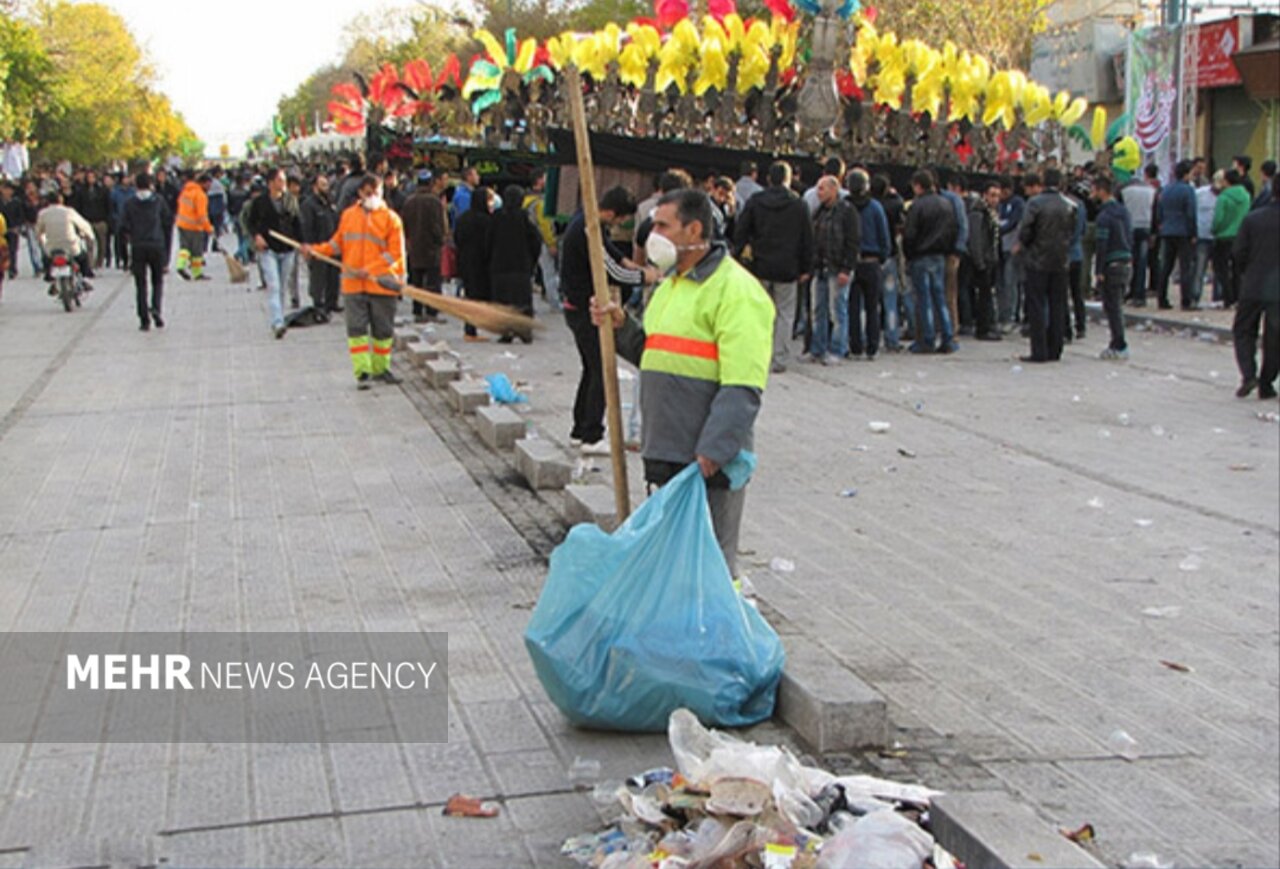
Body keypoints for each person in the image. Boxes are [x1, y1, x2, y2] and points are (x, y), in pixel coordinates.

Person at [593, 188, 774, 577]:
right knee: (672, 564)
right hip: (666, 450)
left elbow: (743, 384)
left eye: (663, 225)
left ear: (694, 230)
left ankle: (717, 634)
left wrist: (713, 450)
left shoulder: (737, 291)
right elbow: (654, 353)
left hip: (706, 460)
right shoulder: (669, 287)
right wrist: (621, 328)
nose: (652, 234)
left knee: (709, 564)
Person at [560, 185, 655, 449]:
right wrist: (642, 277)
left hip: (577, 306)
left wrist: (630, 264)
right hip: (587, 309)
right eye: (622, 219)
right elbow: (610, 270)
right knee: (602, 370)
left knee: (592, 369)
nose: (621, 224)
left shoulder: (588, 222)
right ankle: (592, 434)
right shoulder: (588, 228)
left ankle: (580, 429)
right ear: (613, 212)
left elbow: (612, 254)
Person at [302, 173, 407, 389]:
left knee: (382, 331)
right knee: (357, 330)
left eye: (376, 192)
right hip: (353, 285)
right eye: (368, 192)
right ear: (360, 193)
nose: (373, 196)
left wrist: (369, 270)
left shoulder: (391, 219)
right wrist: (315, 250)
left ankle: (380, 368)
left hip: (382, 284)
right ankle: (363, 373)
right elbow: (337, 244)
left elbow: (394, 253)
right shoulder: (348, 216)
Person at [733, 161, 813, 373]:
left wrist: (737, 257)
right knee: (785, 314)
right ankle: (779, 358)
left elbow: (741, 231)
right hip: (788, 267)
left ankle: (755, 354)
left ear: (768, 178)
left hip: (760, 265)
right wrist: (806, 267)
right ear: (789, 179)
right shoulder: (799, 204)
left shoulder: (756, 201)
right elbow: (807, 238)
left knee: (758, 311)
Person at [1016, 169, 1077, 363]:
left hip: (1037, 259)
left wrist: (1026, 245)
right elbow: (1073, 233)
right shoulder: (1070, 205)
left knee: (1036, 305)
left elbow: (1025, 230)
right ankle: (1055, 348)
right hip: (1060, 260)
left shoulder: (1035, 204)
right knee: (1057, 305)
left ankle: (1039, 349)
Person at [902, 170, 959, 354]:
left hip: (921, 255)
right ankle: (947, 337)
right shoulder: (946, 204)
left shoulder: (917, 206)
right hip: (939, 255)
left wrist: (908, 255)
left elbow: (909, 234)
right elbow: (953, 230)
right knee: (940, 298)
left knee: (924, 299)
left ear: (918, 186)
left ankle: (927, 339)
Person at [1230, 193, 1278, 399]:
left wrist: (1246, 272)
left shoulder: (1253, 218)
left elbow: (1239, 251)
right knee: (1275, 337)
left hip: (1253, 283)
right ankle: (1266, 382)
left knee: (1243, 330)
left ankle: (1249, 373)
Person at [805, 175, 857, 363]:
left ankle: (838, 349)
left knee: (838, 311)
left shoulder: (847, 211)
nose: (818, 193)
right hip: (820, 268)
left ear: (834, 190)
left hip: (838, 269)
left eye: (822, 188)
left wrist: (847, 268)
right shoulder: (818, 212)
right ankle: (817, 348)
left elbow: (852, 241)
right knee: (818, 310)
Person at [246, 168, 303, 338]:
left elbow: (297, 223)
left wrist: (302, 244)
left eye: (284, 180)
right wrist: (257, 236)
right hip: (268, 249)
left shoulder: (291, 200)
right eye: (280, 180)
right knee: (274, 285)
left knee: (282, 286)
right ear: (270, 183)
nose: (283, 184)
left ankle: (279, 317)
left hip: (288, 249)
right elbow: (250, 222)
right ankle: (277, 322)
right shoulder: (260, 202)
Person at [484, 184, 542, 342]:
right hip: (521, 266)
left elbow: (488, 241)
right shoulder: (523, 217)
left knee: (503, 302)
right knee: (522, 301)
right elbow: (535, 240)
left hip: (500, 267)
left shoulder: (496, 217)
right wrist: (532, 260)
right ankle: (524, 331)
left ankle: (505, 332)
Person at [121, 173, 172, 331]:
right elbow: (167, 223)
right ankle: (156, 308)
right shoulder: (158, 201)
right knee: (157, 281)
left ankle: (144, 319)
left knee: (140, 284)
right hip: (156, 244)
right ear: (151, 184)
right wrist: (166, 254)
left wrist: (127, 247)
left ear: (136, 185)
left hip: (138, 246)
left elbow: (123, 227)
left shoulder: (130, 203)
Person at [848, 169, 890, 358]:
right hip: (872, 262)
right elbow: (884, 236)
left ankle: (855, 345)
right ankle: (872, 346)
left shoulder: (844, 206)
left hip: (851, 262)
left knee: (853, 307)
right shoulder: (875, 207)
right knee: (873, 307)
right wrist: (882, 256)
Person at [1091, 174, 1133, 360]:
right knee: (1117, 304)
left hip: (1111, 263)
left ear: (1101, 191)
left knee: (1112, 306)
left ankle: (1119, 343)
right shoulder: (1123, 212)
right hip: (1125, 260)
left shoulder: (1104, 216)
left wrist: (1099, 270)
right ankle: (1117, 341)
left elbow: (1102, 245)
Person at [400, 168, 447, 323]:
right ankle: (432, 311)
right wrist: (441, 240)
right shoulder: (434, 201)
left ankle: (417, 310)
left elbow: (404, 224)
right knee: (433, 282)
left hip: (414, 247)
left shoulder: (409, 201)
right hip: (431, 248)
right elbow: (437, 226)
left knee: (417, 281)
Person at [1153, 160, 1198, 310]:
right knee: (1185, 267)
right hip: (1183, 231)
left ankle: (1162, 298)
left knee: (1166, 266)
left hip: (1167, 230)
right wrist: (1193, 232)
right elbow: (1191, 213)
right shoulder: (1188, 190)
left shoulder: (1165, 189)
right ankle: (1186, 300)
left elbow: (1158, 211)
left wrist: (1161, 225)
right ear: (1186, 174)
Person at [454, 186, 496, 342]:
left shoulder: (463, 218)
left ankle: (470, 329)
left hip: (465, 261)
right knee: (480, 295)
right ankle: (474, 329)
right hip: (482, 263)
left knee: (470, 294)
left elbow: (457, 239)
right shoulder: (487, 220)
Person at [300, 172, 342, 316]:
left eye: (327, 185)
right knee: (319, 276)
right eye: (323, 185)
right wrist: (309, 246)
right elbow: (306, 227)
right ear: (315, 187)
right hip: (317, 246)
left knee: (333, 276)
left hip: (332, 246)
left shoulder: (330, 203)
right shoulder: (309, 205)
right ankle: (319, 303)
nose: (326, 188)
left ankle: (332, 302)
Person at [34, 191, 95, 290]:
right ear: (61, 200)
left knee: (46, 259)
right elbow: (83, 225)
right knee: (83, 258)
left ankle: (50, 278)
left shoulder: (43, 214)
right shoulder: (69, 212)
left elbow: (38, 231)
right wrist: (89, 236)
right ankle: (84, 278)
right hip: (71, 246)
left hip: (52, 247)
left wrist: (40, 240)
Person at [968, 181, 1003, 341]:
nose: (995, 199)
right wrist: (979, 261)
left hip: (991, 259)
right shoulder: (978, 213)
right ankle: (983, 328)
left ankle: (988, 325)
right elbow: (975, 239)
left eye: (997, 196)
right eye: (992, 195)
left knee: (988, 295)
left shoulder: (992, 213)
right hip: (983, 260)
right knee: (983, 295)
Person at [1211, 169, 1251, 310]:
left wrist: (1214, 230)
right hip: (1240, 237)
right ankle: (1237, 297)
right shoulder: (1246, 196)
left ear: (1226, 181)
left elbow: (1218, 220)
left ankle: (1227, 297)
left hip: (1223, 237)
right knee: (1237, 270)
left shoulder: (1223, 197)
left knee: (1221, 269)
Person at [1121, 166, 1158, 305]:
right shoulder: (1151, 190)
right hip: (1145, 227)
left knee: (1127, 261)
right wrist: (1154, 232)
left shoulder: (1124, 190)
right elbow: (1155, 213)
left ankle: (1128, 290)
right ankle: (1139, 294)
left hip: (1129, 228)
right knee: (1141, 262)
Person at [524, 171, 560, 308]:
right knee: (549, 271)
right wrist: (551, 242)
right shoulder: (540, 202)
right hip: (541, 242)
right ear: (539, 181)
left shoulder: (525, 201)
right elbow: (545, 224)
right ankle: (554, 301)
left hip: (527, 242)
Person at [175, 171, 214, 281]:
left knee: (185, 247)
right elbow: (202, 215)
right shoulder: (200, 195)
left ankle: (180, 265)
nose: (210, 187)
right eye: (208, 184)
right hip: (194, 226)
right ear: (203, 183)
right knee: (197, 251)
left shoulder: (185, 191)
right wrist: (208, 228)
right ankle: (197, 274)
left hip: (181, 224)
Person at [0, 183, 23, 281]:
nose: (7, 192)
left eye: (9, 190)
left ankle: (12, 269)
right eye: (5, 189)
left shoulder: (16, 202)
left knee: (13, 250)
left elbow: (20, 215)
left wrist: (17, 226)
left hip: (13, 229)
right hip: (1, 230)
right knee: (3, 251)